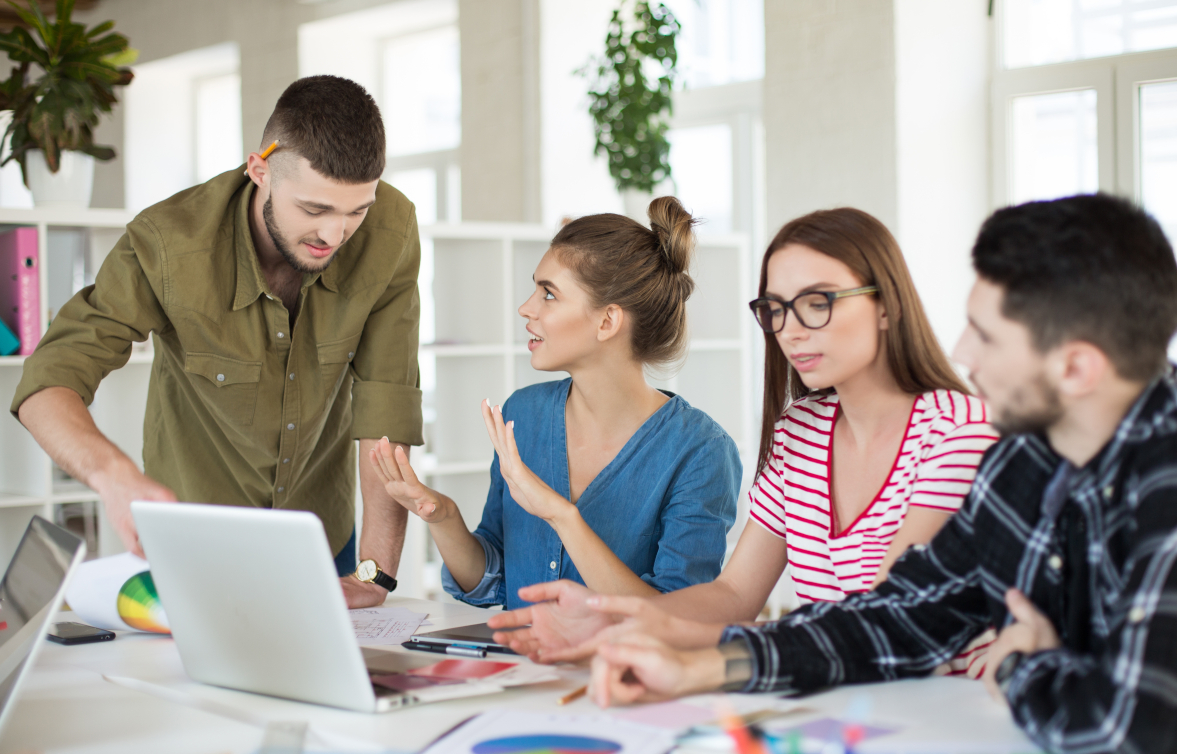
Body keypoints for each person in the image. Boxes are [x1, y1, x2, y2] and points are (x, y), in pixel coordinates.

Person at [585, 194, 1177, 754]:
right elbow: (903, 614)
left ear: (1076, 367)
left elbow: (1136, 726)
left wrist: (1023, 667)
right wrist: (703, 670)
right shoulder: (1026, 461)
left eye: (986, 336)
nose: (964, 353)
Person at [488, 208, 997, 675]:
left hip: (943, 717)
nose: (791, 331)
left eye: (817, 303)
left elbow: (882, 622)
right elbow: (732, 596)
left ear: (886, 306)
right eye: (776, 309)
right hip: (839, 707)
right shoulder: (801, 432)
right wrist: (609, 615)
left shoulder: (956, 431)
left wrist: (698, 668)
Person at [11, 76, 421, 608]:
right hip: (194, 542)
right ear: (260, 170)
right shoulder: (168, 243)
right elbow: (49, 379)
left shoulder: (391, 228)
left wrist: (376, 572)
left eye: (356, 211)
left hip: (326, 538)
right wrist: (115, 478)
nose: (335, 235)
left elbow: (385, 406)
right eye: (315, 210)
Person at [367, 198, 741, 609]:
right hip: (519, 670)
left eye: (548, 294)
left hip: (619, 673)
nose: (526, 308)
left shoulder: (702, 453)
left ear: (607, 321)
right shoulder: (522, 415)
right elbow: (494, 582)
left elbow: (675, 618)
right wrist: (442, 516)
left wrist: (561, 516)